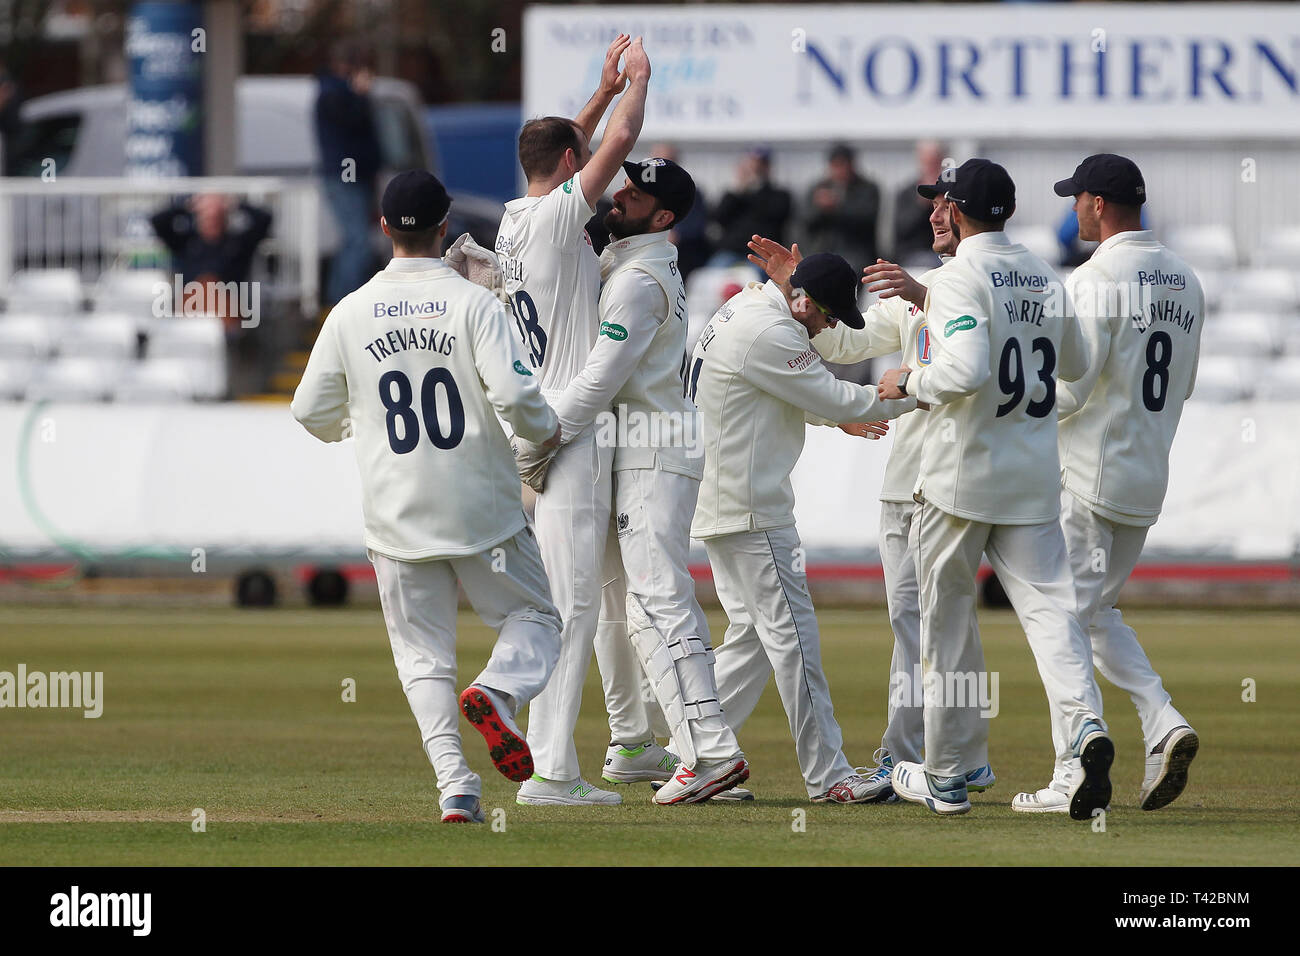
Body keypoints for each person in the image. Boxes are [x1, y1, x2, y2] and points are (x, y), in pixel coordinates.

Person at [290, 170, 563, 825]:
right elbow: (520, 399)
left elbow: (309, 411)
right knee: (537, 620)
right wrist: (547, 435)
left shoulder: (351, 310)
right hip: (482, 510)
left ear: (384, 228)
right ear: (446, 229)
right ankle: (497, 692)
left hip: (396, 514)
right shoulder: (474, 305)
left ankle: (455, 787)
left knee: (422, 658)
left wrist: (353, 425)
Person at [877, 159, 1113, 820]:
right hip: (1032, 476)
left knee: (946, 629)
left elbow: (965, 370)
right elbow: (1081, 366)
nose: (932, 213)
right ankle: (1083, 736)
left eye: (938, 204)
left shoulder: (956, 278)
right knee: (1053, 617)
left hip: (960, 480)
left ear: (955, 211)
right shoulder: (1043, 273)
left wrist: (907, 382)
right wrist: (1039, 414)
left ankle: (947, 778)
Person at [521, 157, 750, 804]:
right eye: (624, 184)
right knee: (614, 607)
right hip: (629, 454)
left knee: (658, 600)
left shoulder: (639, 280)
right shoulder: (624, 264)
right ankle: (631, 742)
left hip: (653, 452)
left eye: (636, 193)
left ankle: (712, 752)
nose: (619, 195)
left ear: (665, 216)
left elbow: (600, 378)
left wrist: (539, 439)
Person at [496, 36, 672, 807]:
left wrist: (594, 95)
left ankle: (551, 751)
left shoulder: (514, 217)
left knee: (567, 599)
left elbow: (562, 144)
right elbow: (622, 142)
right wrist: (638, 82)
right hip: (569, 431)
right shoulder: (562, 218)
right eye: (586, 158)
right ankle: (552, 772)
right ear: (574, 168)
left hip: (532, 422)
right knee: (571, 606)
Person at [789, 183, 995, 802]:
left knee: (927, 624)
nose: (934, 213)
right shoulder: (915, 293)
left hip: (947, 479)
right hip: (907, 480)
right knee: (930, 623)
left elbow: (974, 361)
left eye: (946, 205)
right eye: (931, 205)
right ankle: (965, 755)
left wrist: (924, 294)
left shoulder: (978, 288)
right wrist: (803, 301)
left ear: (970, 214)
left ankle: (913, 755)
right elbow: (848, 345)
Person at [689, 245, 916, 803]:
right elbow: (834, 392)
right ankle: (831, 778)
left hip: (722, 501)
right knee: (795, 641)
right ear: (806, 300)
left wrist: (837, 416)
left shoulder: (745, 309)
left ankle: (695, 757)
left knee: (751, 639)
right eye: (830, 314)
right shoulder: (775, 333)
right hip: (752, 509)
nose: (831, 326)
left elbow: (775, 391)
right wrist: (919, 393)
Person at [1012, 154, 1203, 814]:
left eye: (1076, 200)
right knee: (1094, 615)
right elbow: (1184, 384)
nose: (1071, 210)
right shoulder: (1186, 279)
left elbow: (1072, 387)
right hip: (1147, 475)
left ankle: (1076, 772)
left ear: (1096, 203)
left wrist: (1013, 411)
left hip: (1089, 475)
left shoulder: (1095, 279)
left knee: (1061, 621)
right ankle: (1161, 722)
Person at [315, 41, 382, 307]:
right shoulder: (334, 94)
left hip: (354, 177)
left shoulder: (333, 92)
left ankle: (340, 299)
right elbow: (351, 126)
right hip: (346, 178)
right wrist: (361, 96)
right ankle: (344, 301)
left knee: (354, 240)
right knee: (358, 242)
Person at [150, 194, 273, 300]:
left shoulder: (237, 245)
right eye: (207, 217)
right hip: (191, 312)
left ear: (224, 219)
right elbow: (158, 221)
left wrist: (233, 203)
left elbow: (264, 219)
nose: (211, 222)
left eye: (216, 217)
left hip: (229, 314)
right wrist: (188, 205)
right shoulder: (186, 243)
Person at [802, 144, 882, 274]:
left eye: (843, 164)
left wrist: (837, 207)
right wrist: (820, 209)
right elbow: (806, 222)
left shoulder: (867, 188)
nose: (840, 170)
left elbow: (866, 220)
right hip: (822, 250)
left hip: (857, 253)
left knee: (847, 272)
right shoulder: (819, 187)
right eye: (835, 165)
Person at [710, 149, 792, 265]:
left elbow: (775, 216)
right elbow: (718, 218)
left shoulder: (779, 195)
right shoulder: (734, 195)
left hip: (762, 252)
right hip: (731, 251)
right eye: (752, 164)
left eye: (760, 165)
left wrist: (757, 188)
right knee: (713, 273)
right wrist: (740, 189)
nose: (755, 169)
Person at [650, 142, 713, 279]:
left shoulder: (691, 191)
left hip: (684, 252)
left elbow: (697, 224)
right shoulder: (643, 192)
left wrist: (674, 234)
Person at [892, 140, 946, 267]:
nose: (931, 168)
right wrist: (922, 205)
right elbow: (902, 229)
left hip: (945, 251)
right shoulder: (906, 193)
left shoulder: (951, 191)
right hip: (915, 252)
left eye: (935, 163)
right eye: (928, 163)